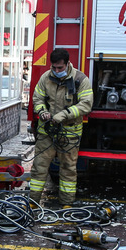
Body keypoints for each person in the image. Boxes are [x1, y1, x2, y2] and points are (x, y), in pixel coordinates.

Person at [29, 48, 93, 206]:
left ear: (68, 64)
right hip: (47, 133)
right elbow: (37, 98)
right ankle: (32, 202)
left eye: (60, 68)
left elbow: (86, 105)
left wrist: (64, 115)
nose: (57, 71)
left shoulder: (81, 80)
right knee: (39, 168)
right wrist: (42, 111)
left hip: (69, 134)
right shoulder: (46, 77)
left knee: (68, 169)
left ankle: (66, 203)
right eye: (54, 67)